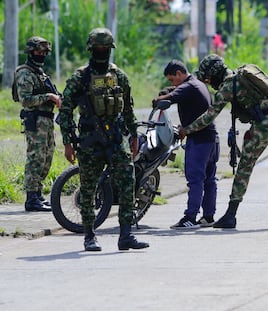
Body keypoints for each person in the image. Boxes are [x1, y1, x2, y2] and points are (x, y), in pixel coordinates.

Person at [179, 54, 268, 229]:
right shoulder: (243, 74)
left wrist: (186, 129)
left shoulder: (228, 86)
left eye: (207, 78)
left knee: (244, 168)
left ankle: (230, 215)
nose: (207, 82)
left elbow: (209, 117)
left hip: (265, 124)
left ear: (213, 74)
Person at [58, 28, 149, 251]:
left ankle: (126, 235)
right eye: (98, 48)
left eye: (105, 48)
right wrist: (68, 142)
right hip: (90, 141)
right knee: (88, 190)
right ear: (91, 49)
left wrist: (134, 134)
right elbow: (66, 112)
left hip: (116, 140)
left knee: (128, 182)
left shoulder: (119, 76)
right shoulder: (80, 78)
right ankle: (89, 236)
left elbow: (127, 109)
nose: (102, 51)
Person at [153, 59, 220, 229]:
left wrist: (158, 100)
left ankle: (190, 217)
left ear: (179, 74)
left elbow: (172, 96)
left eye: (172, 79)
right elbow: (176, 90)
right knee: (209, 180)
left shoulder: (189, 86)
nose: (171, 83)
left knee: (196, 180)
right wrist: (168, 90)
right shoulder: (198, 84)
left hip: (199, 142)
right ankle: (208, 217)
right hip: (211, 139)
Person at [14, 36, 62, 212]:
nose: (41, 55)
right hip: (35, 120)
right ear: (30, 52)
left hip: (47, 121)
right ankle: (31, 198)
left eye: (44, 52)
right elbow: (25, 100)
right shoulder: (24, 72)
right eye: (38, 52)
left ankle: (38, 194)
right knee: (36, 158)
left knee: (46, 158)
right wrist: (49, 97)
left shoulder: (40, 74)